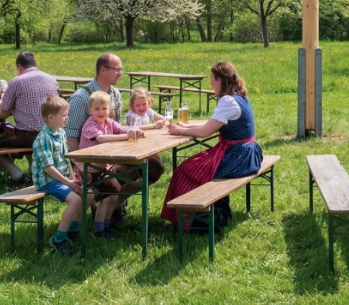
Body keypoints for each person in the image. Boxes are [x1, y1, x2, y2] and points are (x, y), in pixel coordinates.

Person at [161, 62, 263, 230]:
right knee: (193, 166)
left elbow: (204, 132)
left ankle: (194, 221)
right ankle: (202, 215)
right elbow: (211, 125)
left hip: (237, 156)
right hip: (249, 153)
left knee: (186, 170)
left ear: (220, 80)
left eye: (212, 79)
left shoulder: (228, 101)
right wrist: (185, 128)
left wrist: (179, 130)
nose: (210, 83)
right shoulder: (240, 97)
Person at [65, 52, 165, 194]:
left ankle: (116, 201)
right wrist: (80, 166)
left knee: (155, 166)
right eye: (117, 69)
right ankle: (104, 197)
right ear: (103, 70)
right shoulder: (81, 97)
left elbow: (116, 127)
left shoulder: (115, 94)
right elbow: (70, 136)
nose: (121, 73)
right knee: (141, 168)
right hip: (92, 161)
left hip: (114, 153)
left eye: (121, 69)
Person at [31, 95, 91, 255]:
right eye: (64, 115)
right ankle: (58, 238)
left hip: (62, 178)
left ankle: (73, 230)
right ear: (51, 117)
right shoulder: (43, 139)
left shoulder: (61, 133)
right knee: (76, 200)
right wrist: (68, 183)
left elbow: (66, 158)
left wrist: (73, 178)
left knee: (89, 194)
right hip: (47, 180)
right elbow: (48, 168)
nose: (67, 118)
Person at [0, 51, 60, 187]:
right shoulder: (51, 79)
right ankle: (33, 171)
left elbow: (4, 114)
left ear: (19, 67)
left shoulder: (16, 82)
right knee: (26, 134)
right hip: (52, 133)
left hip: (27, 136)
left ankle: (17, 175)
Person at [79, 91, 138, 240]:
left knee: (115, 192)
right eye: (97, 109)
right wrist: (126, 136)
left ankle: (106, 225)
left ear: (110, 109)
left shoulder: (109, 122)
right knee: (106, 197)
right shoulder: (89, 125)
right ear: (90, 110)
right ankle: (99, 231)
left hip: (103, 167)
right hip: (89, 168)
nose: (101, 112)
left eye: (104, 108)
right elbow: (101, 138)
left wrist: (137, 130)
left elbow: (124, 129)